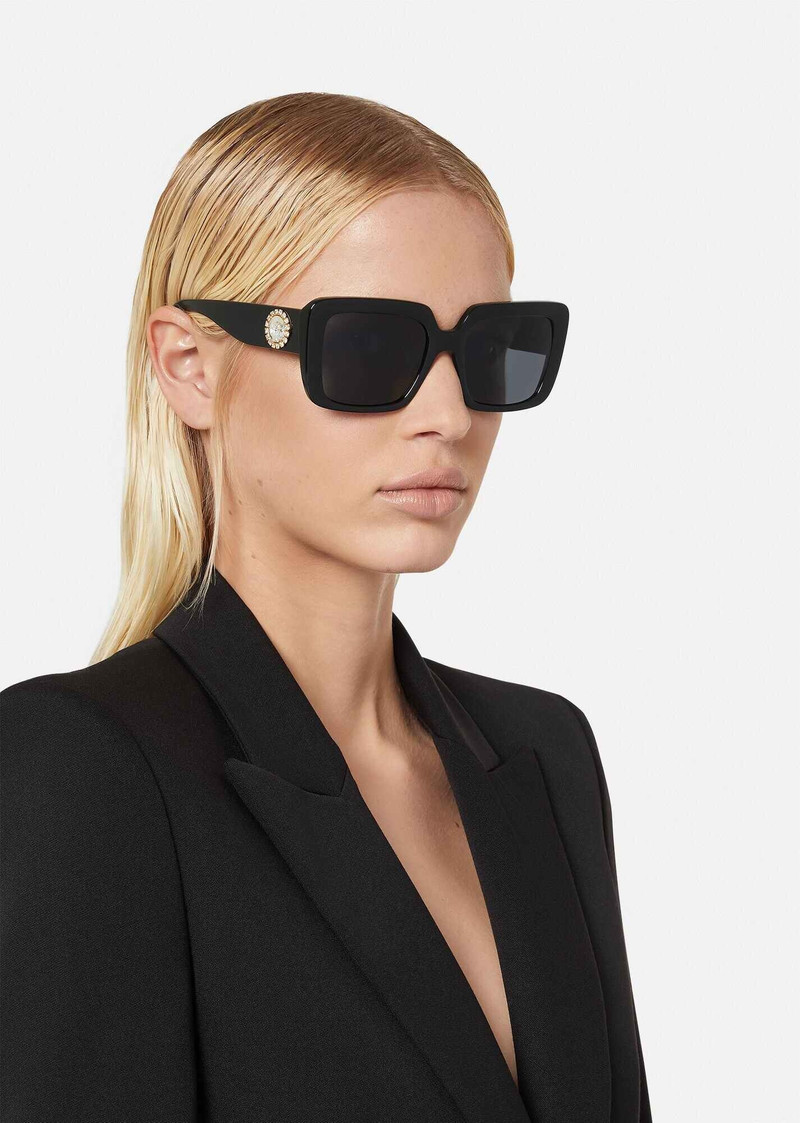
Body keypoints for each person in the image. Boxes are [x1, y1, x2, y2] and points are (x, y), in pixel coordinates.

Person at [0, 92, 652, 1122]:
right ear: (189, 366)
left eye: (491, 349)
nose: (449, 416)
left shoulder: (545, 750)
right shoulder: (83, 767)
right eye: (369, 349)